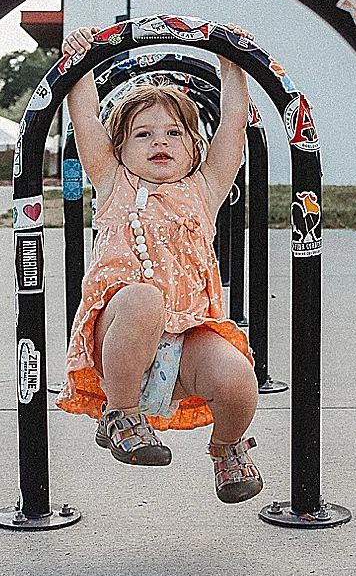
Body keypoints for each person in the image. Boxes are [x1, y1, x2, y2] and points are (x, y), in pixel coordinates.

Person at [56, 29, 263, 504]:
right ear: (120, 148)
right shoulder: (112, 182)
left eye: (174, 133)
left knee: (237, 380)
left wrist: (232, 68)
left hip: (187, 337)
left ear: (195, 146)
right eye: (142, 134)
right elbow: (85, 116)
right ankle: (123, 413)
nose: (159, 143)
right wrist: (81, 63)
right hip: (121, 334)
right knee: (145, 298)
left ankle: (228, 447)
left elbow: (233, 129)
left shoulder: (204, 190)